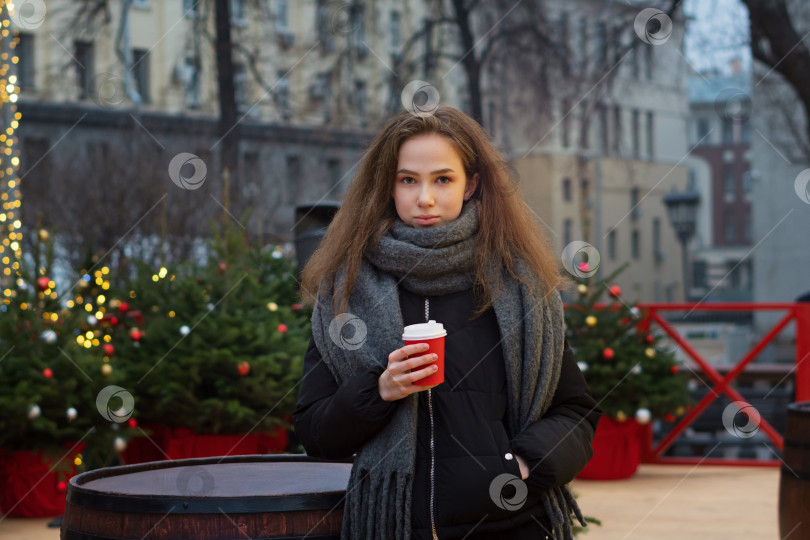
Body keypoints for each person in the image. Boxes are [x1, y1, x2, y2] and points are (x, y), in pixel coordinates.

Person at [293, 105, 601, 540]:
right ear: (387, 186)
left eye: (443, 179)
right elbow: (315, 434)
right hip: (394, 529)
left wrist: (524, 464)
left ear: (471, 184)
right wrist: (381, 390)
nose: (425, 198)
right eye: (408, 180)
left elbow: (577, 411)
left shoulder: (518, 284)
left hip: (509, 526)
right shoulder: (346, 291)